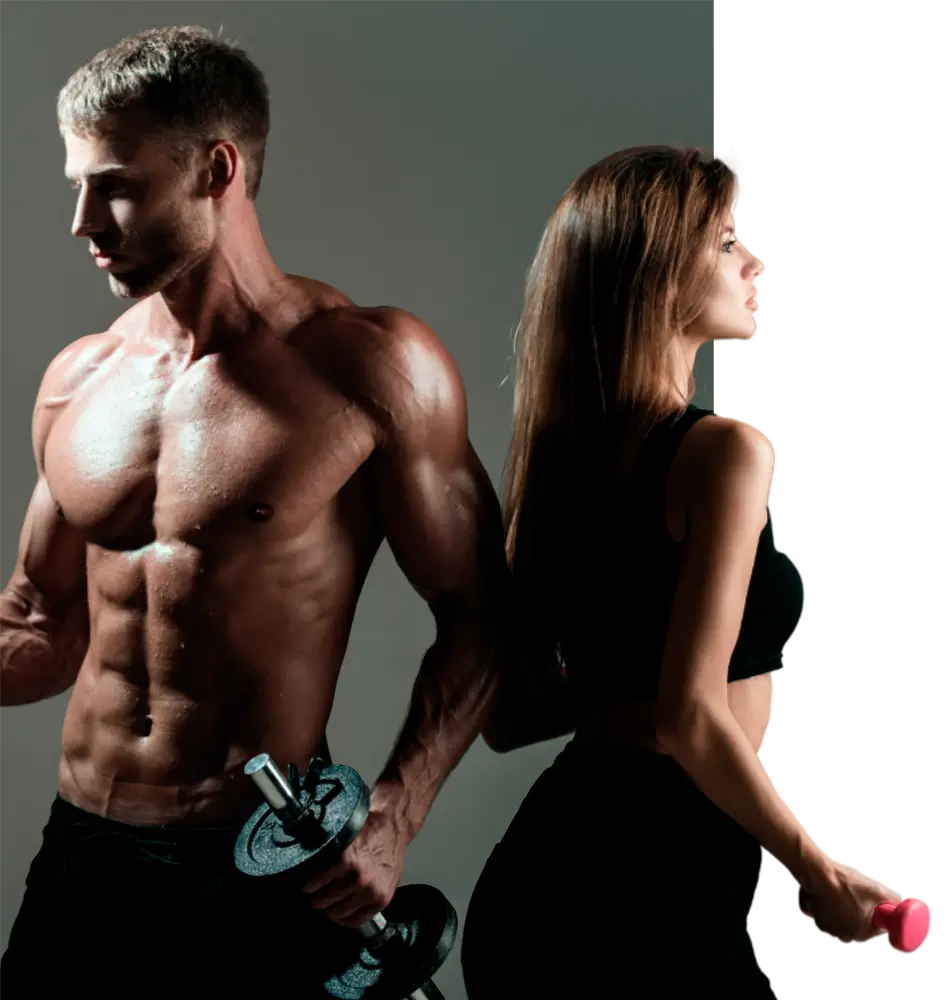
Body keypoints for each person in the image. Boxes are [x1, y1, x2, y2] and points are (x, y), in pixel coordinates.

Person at [0, 25, 509, 996]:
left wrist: (392, 820)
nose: (82, 221)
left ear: (215, 169)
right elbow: (37, 628)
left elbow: (481, 614)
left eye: (113, 183)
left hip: (261, 864)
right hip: (84, 853)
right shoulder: (80, 379)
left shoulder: (368, 367)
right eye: (76, 184)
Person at [460, 145, 899, 999]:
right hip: (658, 893)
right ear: (657, 270)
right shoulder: (725, 453)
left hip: (552, 878)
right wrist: (816, 868)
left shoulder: (562, 464)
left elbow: (511, 717)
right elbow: (688, 715)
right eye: (729, 242)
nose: (755, 261)